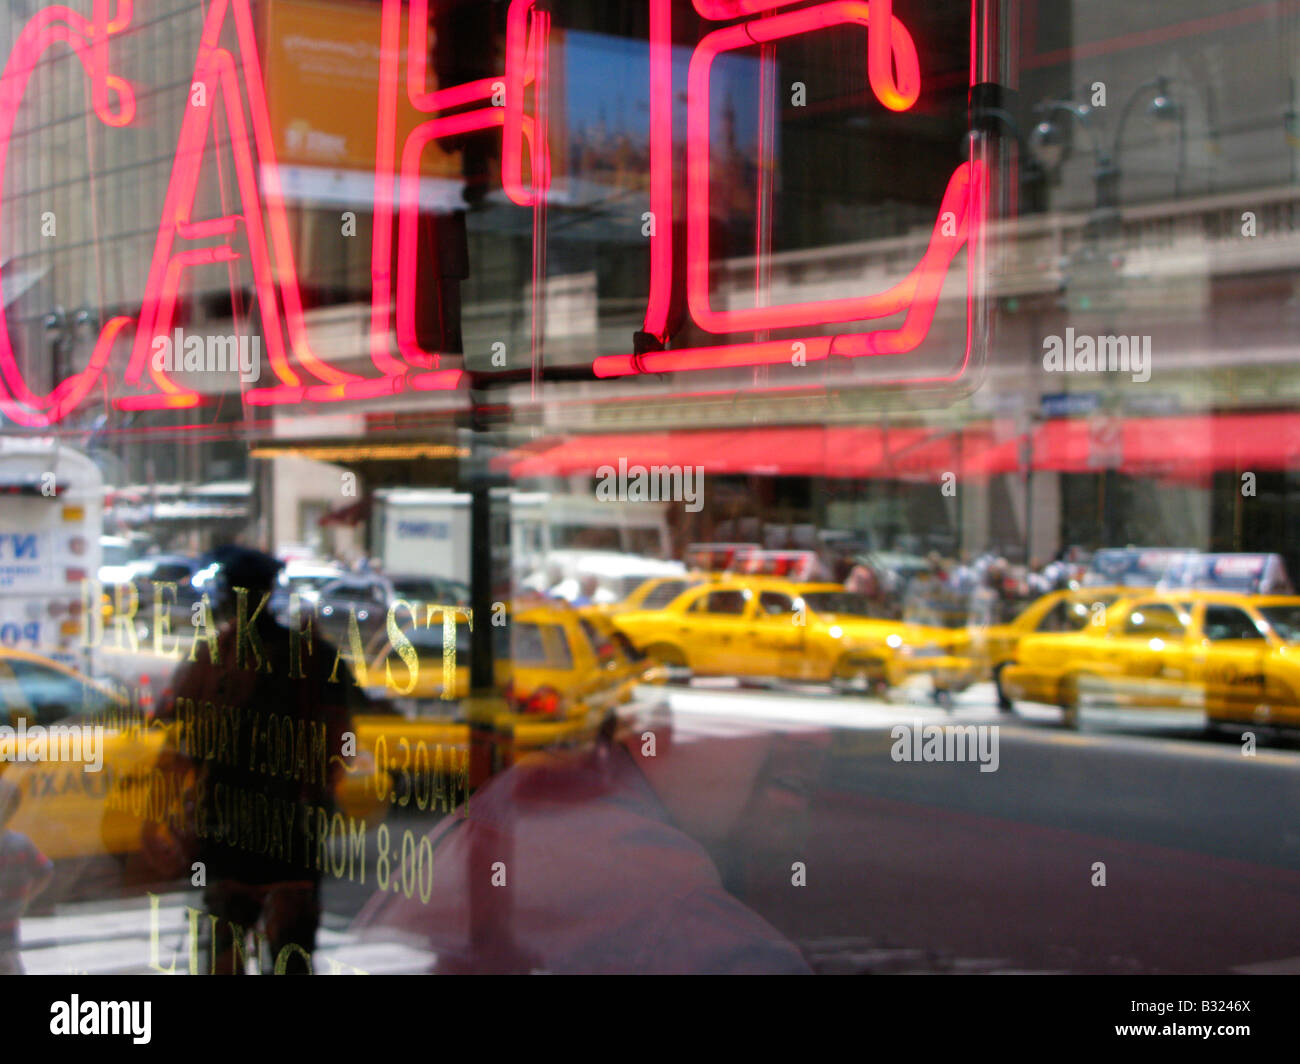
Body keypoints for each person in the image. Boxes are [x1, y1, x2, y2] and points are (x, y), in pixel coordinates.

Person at [158, 545, 363, 974]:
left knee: (227, 944)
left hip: (228, 823)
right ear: (272, 592)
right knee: (291, 949)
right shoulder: (314, 657)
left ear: (227, 599)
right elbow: (339, 737)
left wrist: (177, 811)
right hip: (291, 821)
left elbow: (177, 731)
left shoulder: (214, 660)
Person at [0, 776, 54, 975]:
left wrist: (27, 898)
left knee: (8, 962)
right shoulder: (21, 844)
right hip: (9, 922)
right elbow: (45, 871)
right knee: (10, 961)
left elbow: (45, 871)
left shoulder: (19, 845)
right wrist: (27, 898)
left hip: (6, 924)